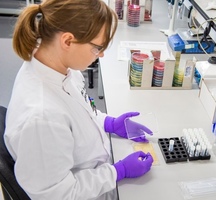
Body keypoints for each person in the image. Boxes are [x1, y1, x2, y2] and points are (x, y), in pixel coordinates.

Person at [4, 0, 154, 199]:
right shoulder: (41, 118)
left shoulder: (57, 63)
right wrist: (118, 171)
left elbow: (80, 109)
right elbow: (60, 194)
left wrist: (108, 123)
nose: (101, 54)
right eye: (97, 47)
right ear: (67, 41)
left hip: (94, 163)